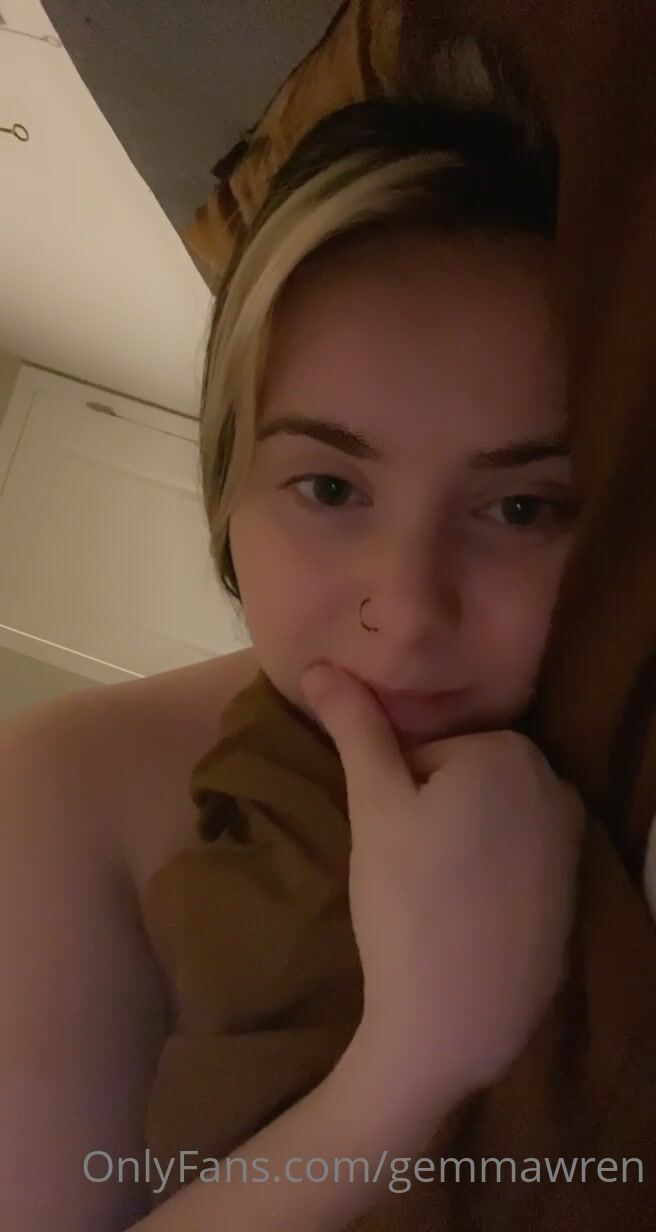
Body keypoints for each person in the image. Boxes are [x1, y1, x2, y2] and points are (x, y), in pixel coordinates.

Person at [0, 99, 586, 1232]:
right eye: (329, 487)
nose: (405, 612)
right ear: (231, 486)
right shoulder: (56, 788)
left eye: (519, 508)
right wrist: (412, 1060)